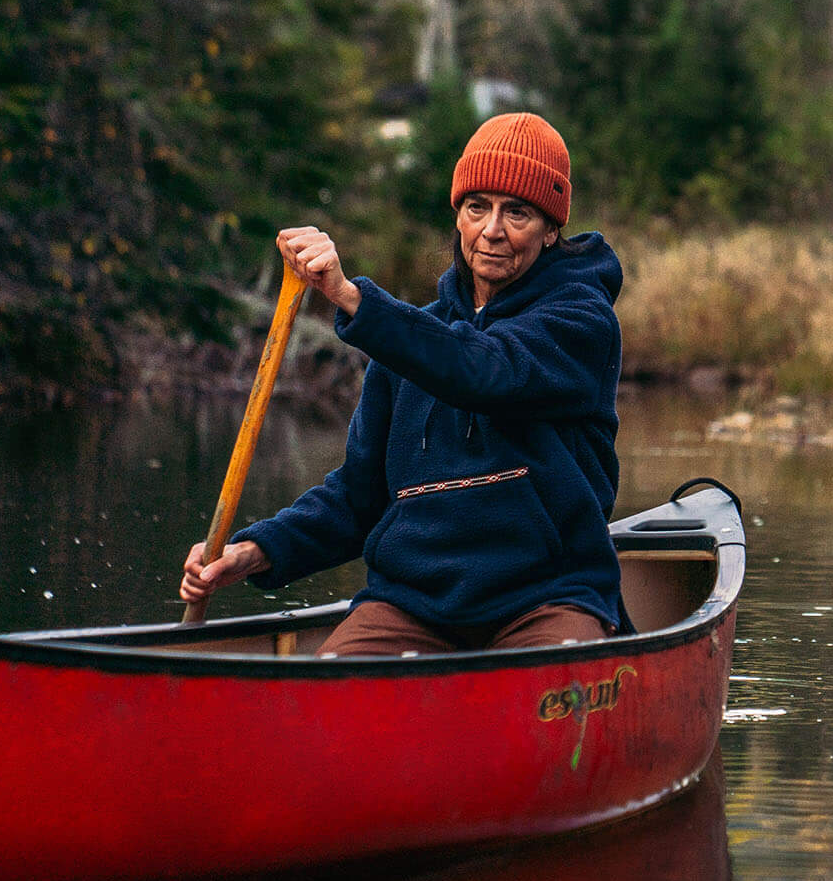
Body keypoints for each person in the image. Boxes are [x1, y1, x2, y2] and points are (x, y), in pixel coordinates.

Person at [177, 113, 626, 656]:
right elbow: (358, 497)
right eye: (477, 207)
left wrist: (351, 297)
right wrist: (257, 549)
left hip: (547, 598)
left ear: (552, 229)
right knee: (325, 699)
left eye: (519, 213)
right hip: (413, 602)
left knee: (559, 681)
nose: (493, 230)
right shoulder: (409, 342)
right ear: (458, 215)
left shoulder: (581, 322)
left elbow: (482, 371)